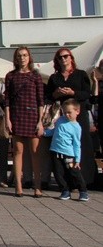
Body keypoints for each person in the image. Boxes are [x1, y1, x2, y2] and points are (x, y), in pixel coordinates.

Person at [45, 48, 96, 187]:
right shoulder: (54, 77)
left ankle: (87, 179)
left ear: (71, 58)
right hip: (63, 116)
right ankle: (70, 181)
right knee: (65, 147)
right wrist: (56, 94)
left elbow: (87, 94)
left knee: (81, 143)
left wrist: (73, 92)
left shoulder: (80, 74)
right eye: (60, 58)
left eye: (65, 56)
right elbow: (48, 96)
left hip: (79, 114)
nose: (63, 59)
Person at [3, 47, 44, 197]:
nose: (22, 58)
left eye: (25, 55)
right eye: (19, 56)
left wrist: (40, 121)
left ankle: (37, 186)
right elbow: (7, 100)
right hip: (16, 114)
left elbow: (41, 100)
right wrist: (8, 119)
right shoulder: (11, 76)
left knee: (35, 152)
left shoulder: (35, 76)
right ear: (16, 58)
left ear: (29, 57)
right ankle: (18, 186)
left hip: (32, 115)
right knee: (18, 151)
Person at [45, 99, 89, 202]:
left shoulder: (76, 127)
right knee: (58, 173)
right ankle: (65, 190)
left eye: (69, 112)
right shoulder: (60, 120)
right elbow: (53, 131)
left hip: (69, 154)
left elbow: (77, 144)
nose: (67, 115)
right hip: (55, 151)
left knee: (74, 172)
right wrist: (45, 133)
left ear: (77, 111)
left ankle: (83, 191)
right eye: (65, 112)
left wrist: (77, 159)